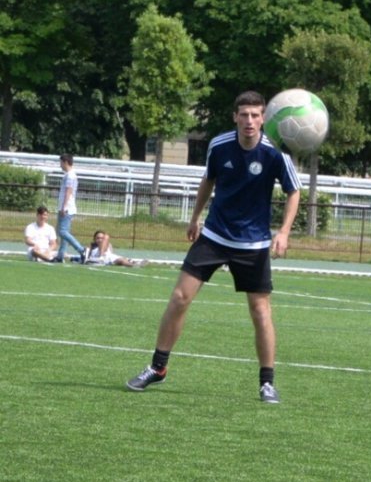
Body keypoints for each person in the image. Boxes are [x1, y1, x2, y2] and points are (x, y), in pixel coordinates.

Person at [125, 91, 300, 403]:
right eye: (244, 115)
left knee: (260, 311)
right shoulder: (219, 146)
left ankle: (267, 383)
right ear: (235, 117)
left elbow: (294, 191)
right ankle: (158, 367)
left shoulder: (275, 155)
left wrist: (284, 232)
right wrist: (194, 218)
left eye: (256, 115)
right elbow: (209, 180)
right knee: (180, 297)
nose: (249, 121)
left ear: (263, 119)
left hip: (254, 242)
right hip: (215, 235)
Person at [54, 154, 87, 263]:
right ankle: (60, 255)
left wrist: (64, 206)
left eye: (61, 162)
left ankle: (81, 249)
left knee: (62, 232)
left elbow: (68, 191)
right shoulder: (69, 175)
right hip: (65, 207)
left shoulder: (70, 175)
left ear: (66, 162)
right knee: (63, 232)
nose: (60, 165)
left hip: (67, 208)